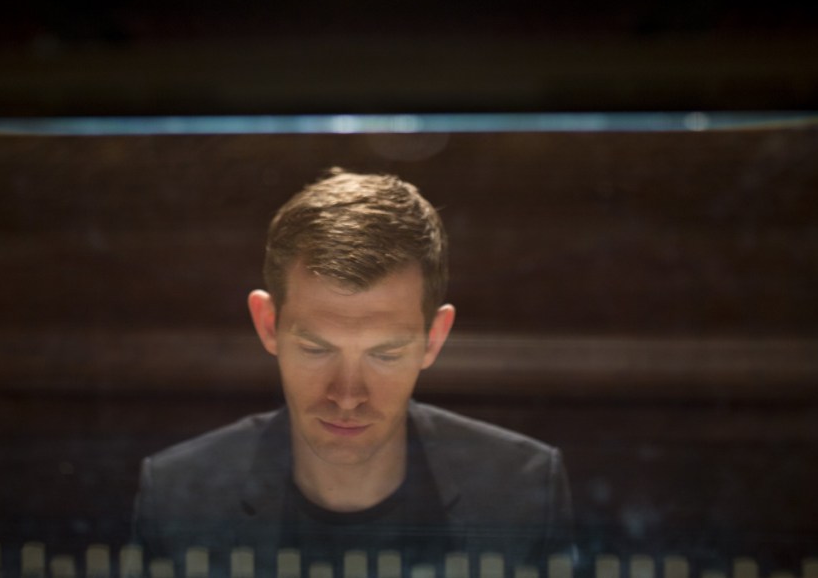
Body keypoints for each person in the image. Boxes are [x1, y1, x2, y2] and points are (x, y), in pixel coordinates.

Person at [133, 168, 574, 577]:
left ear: (434, 338)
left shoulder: (523, 492)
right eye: (315, 349)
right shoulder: (177, 496)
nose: (346, 395)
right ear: (268, 325)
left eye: (385, 354)